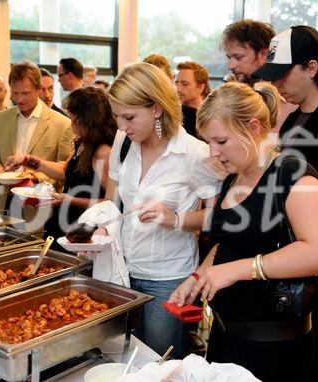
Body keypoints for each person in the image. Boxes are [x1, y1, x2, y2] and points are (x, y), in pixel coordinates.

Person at [169, 81, 318, 382]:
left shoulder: (291, 174)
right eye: (208, 142)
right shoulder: (233, 177)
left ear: (254, 126)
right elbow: (227, 242)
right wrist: (197, 278)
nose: (213, 152)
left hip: (275, 348)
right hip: (227, 338)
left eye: (221, 141)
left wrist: (238, 270)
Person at [101, 62, 223, 358]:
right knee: (122, 355)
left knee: (160, 360)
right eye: (117, 116)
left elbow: (219, 220)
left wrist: (175, 218)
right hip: (121, 270)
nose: (121, 126)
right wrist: (100, 230)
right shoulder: (123, 141)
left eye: (129, 117)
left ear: (156, 108)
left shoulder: (196, 154)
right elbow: (110, 199)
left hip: (169, 278)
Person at [252, 25, 318, 381]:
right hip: (291, 250)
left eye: (283, 73)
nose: (276, 84)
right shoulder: (294, 117)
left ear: (311, 68)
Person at [4, 87, 117, 247]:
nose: (70, 123)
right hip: (63, 221)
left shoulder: (103, 152)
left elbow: (109, 202)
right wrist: (28, 160)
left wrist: (71, 200)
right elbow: (65, 172)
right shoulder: (83, 143)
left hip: (83, 227)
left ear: (88, 118)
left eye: (74, 119)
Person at [0, 60, 74, 214]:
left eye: (25, 93)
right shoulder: (2, 118)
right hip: (5, 201)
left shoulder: (62, 123)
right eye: (15, 93)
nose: (19, 99)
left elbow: (65, 169)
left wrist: (35, 176)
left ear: (39, 89)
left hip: (40, 205)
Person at [221, 19, 296, 131]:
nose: (230, 66)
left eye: (238, 57)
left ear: (264, 54)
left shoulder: (293, 101)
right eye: (229, 58)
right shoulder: (228, 100)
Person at [142, 53, 197, 137]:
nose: (155, 87)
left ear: (171, 78)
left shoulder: (193, 116)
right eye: (149, 81)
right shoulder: (139, 116)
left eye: (160, 80)